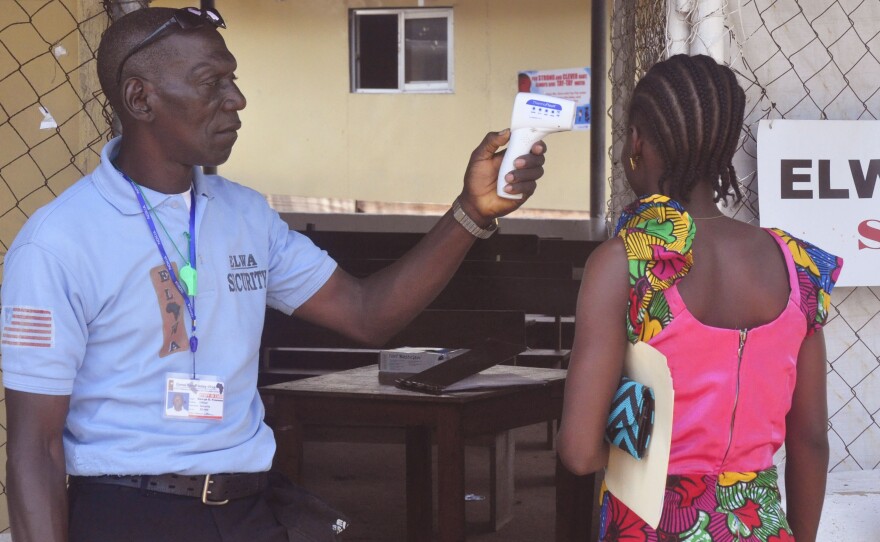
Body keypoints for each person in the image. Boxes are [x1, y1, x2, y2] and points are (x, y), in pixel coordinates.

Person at [0, 7, 549, 542]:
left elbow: (367, 314)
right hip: (128, 513)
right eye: (211, 82)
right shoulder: (58, 243)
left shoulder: (246, 216)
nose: (236, 100)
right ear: (141, 98)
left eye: (233, 79)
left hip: (248, 510)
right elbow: (35, 450)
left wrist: (471, 212)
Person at [557, 54, 843, 542]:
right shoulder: (797, 268)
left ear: (637, 143)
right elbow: (812, 440)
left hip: (650, 525)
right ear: (727, 147)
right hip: (757, 523)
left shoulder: (624, 263)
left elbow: (580, 452)